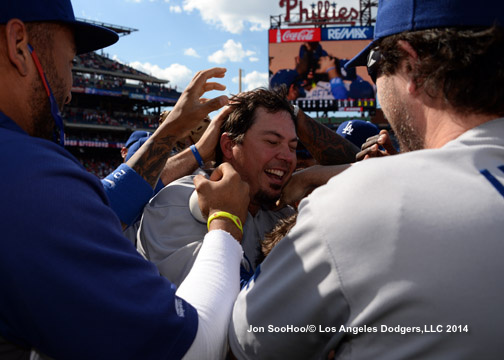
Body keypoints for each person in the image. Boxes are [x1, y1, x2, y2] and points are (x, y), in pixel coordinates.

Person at [228, 0, 504, 358]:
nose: (375, 87)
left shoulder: (366, 199)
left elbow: (247, 342)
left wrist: (223, 223)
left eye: (374, 69)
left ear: (411, 65)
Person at [0, 1, 252, 359]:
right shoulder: (27, 177)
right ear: (18, 44)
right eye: (70, 62)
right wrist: (226, 222)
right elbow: (191, 348)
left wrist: (172, 134)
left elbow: (103, 204)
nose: (69, 90)